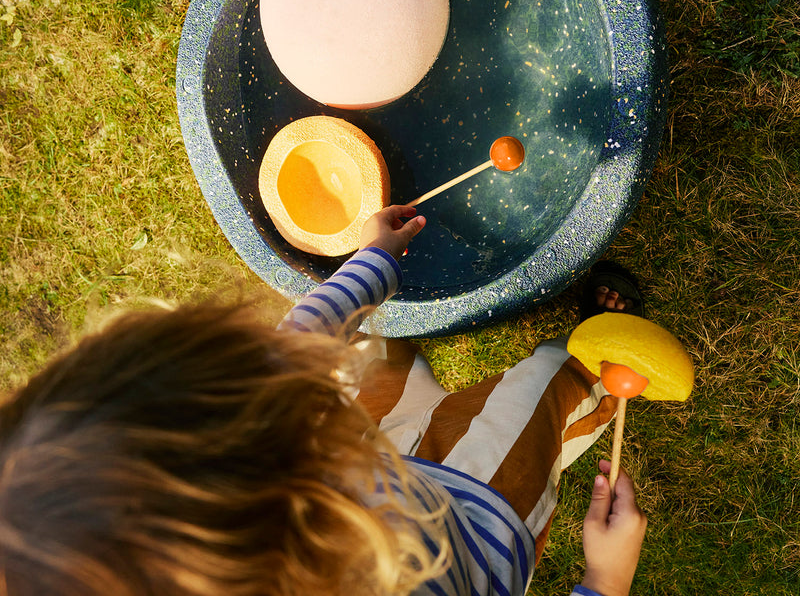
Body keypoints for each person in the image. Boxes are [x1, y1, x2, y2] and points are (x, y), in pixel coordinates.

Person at [0, 205, 646, 596]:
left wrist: (373, 263)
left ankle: (417, 398)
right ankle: (589, 370)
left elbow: (290, 349)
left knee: (374, 358)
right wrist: (606, 581)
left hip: (369, 459)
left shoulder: (235, 446)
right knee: (542, 393)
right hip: (477, 519)